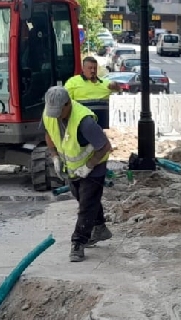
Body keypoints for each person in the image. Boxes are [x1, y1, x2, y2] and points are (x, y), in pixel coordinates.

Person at [42, 86, 113, 262]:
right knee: (84, 199)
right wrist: (55, 156)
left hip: (94, 166)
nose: (56, 116)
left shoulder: (84, 121)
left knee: (86, 205)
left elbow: (105, 146)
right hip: (73, 168)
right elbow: (48, 134)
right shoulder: (49, 113)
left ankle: (78, 243)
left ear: (67, 104)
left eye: (59, 112)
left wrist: (89, 166)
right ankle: (100, 227)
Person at [64, 57, 121, 128]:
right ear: (83, 69)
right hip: (82, 124)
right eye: (90, 68)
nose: (93, 70)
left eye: (95, 68)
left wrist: (116, 86)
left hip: (102, 125)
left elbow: (120, 92)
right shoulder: (73, 82)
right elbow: (65, 102)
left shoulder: (105, 83)